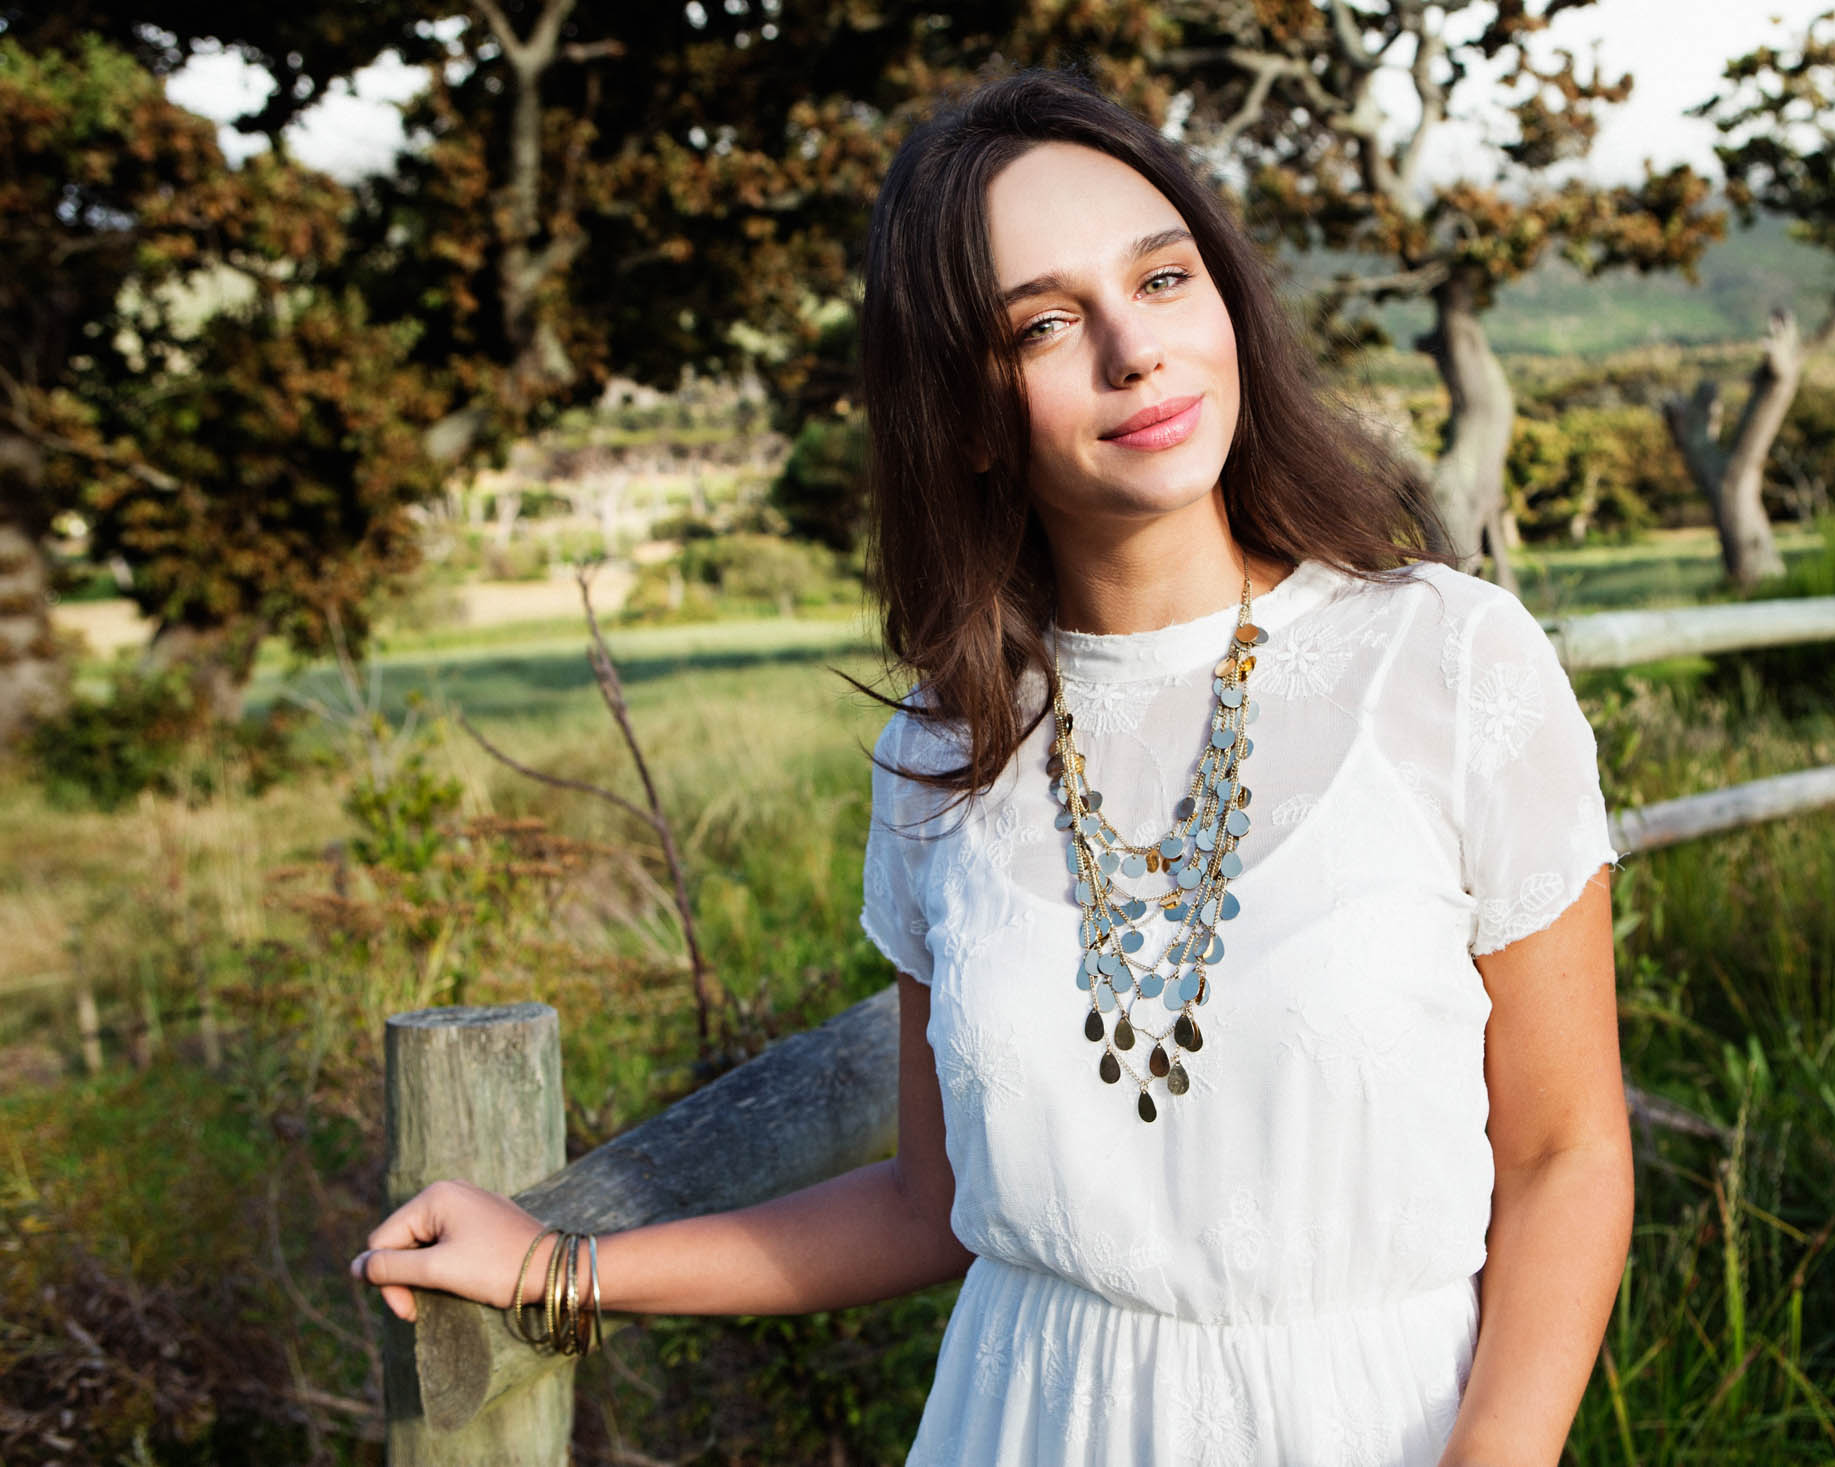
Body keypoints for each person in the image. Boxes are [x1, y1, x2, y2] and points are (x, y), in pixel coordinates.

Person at [352, 69, 1632, 1467]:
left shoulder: (1446, 662)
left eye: (1162, 279)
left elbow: (1565, 1157)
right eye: (1043, 323)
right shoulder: (942, 755)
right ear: (962, 409)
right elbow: (926, 1203)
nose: (1134, 353)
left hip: (1383, 1422)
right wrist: (561, 1271)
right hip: (1028, 1420)